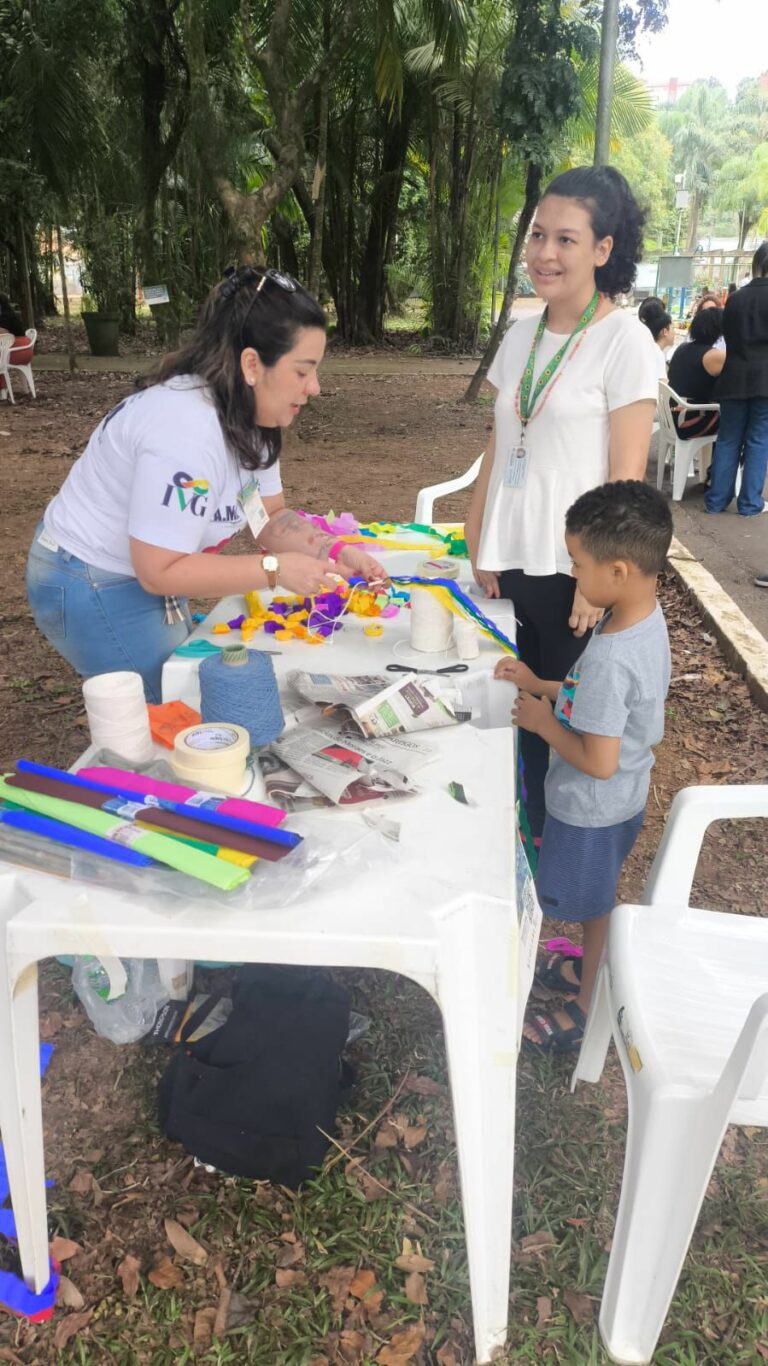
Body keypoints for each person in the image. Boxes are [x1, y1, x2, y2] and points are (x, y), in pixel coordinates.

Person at [26, 265, 386, 701]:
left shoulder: (250, 412)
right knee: (173, 706)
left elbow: (268, 517)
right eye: (303, 371)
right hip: (91, 576)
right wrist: (274, 570)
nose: (315, 388)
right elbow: (159, 572)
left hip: (146, 570)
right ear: (252, 363)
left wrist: (334, 549)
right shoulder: (185, 432)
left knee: (184, 689)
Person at [465, 164, 658, 842]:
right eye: (538, 235)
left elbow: (627, 476)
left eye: (567, 240)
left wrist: (597, 581)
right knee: (515, 712)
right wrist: (476, 525)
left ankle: (562, 870)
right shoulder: (520, 335)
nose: (545, 253)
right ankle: (517, 837)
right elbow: (501, 438)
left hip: (572, 572)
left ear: (604, 250)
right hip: (509, 560)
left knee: (568, 722)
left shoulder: (624, 342)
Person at [494, 481, 672, 1052]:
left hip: (593, 809)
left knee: (589, 904)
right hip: (622, 799)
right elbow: (586, 696)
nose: (572, 574)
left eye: (576, 562)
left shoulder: (615, 656)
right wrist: (539, 684)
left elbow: (598, 759)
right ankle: (584, 975)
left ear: (617, 571)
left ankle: (585, 1007)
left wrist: (545, 725)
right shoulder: (638, 620)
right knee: (595, 897)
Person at [704, 240, 768, 517]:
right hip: (765, 381)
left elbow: (728, 338)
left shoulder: (736, 298)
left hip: (733, 378)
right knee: (759, 439)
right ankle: (750, 504)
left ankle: (716, 501)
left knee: (728, 439)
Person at [667, 306, 724, 440]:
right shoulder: (713, 355)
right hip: (691, 420)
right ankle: (722, 461)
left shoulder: (682, 348)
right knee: (739, 421)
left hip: (674, 416)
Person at [640, 308, 675, 379]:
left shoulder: (648, 348)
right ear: (665, 332)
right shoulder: (657, 354)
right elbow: (662, 385)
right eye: (673, 328)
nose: (675, 333)